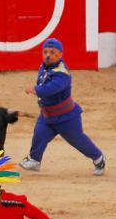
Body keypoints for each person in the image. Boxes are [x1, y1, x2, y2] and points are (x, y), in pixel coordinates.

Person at [20, 38, 106, 176]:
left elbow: (52, 88)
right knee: (39, 135)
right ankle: (35, 160)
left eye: (52, 53)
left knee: (78, 141)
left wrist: (36, 90)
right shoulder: (44, 67)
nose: (48, 55)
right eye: (45, 52)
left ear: (60, 55)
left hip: (66, 118)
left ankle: (98, 158)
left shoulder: (62, 73)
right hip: (47, 115)